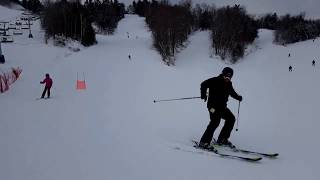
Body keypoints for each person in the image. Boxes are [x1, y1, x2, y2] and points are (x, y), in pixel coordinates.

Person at [199, 67, 242, 148]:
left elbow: (232, 92)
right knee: (215, 121)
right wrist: (203, 94)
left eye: (229, 77)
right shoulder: (215, 80)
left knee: (231, 119)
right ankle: (203, 142)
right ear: (223, 74)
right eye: (226, 76)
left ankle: (222, 139)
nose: (227, 78)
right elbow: (203, 84)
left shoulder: (229, 84)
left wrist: (238, 97)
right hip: (212, 107)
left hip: (222, 107)